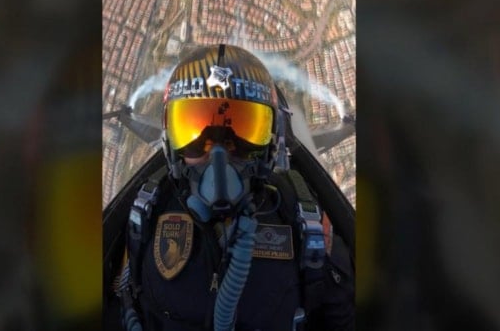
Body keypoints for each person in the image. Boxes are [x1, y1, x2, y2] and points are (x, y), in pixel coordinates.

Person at [118, 44, 354, 331]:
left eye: (242, 133)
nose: (218, 157)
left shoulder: (304, 220)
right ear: (171, 142)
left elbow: (341, 316)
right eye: (194, 133)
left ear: (270, 142)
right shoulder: (148, 210)